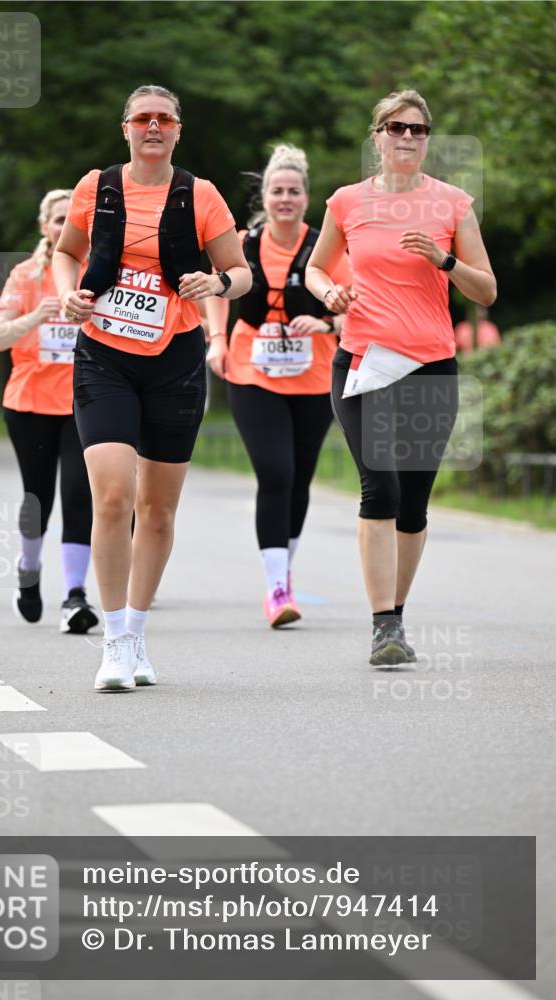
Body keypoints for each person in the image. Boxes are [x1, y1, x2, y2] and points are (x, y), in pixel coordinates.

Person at [52, 84, 251, 691]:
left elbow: (241, 273)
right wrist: (68, 292)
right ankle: (113, 641)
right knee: (112, 497)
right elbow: (67, 253)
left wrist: (214, 286)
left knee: (157, 509)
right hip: (105, 357)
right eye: (143, 119)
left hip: (176, 359)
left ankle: (137, 630)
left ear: (178, 130)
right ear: (127, 129)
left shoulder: (202, 194)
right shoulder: (97, 186)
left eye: (164, 119)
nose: (153, 127)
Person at [306, 90, 496, 665]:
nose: (407, 137)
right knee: (380, 487)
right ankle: (382, 626)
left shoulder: (453, 204)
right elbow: (316, 268)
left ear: (427, 138)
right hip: (363, 360)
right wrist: (329, 291)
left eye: (417, 129)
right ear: (377, 138)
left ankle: (397, 618)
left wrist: (444, 261)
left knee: (413, 502)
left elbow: (486, 290)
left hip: (430, 366)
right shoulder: (346, 202)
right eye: (396, 128)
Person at [207, 144, 352, 627]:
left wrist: (328, 326)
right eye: (276, 191)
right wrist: (215, 340)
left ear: (306, 198)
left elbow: (354, 305)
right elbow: (216, 287)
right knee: (275, 473)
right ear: (264, 196)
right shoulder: (243, 242)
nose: (285, 199)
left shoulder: (325, 248)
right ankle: (275, 589)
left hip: (314, 374)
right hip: (253, 371)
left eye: (293, 191)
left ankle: (282, 570)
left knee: (300, 477)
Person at [0, 190, 98, 634]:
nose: (65, 227)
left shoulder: (100, 274)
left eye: (73, 221)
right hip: (30, 403)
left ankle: (74, 595)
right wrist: (35, 316)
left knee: (78, 494)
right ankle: (29, 572)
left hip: (85, 402)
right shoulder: (25, 276)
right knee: (39, 498)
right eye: (58, 220)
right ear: (45, 227)